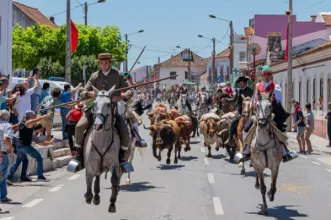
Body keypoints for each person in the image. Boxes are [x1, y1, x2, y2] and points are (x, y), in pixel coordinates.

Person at [74, 53, 133, 170]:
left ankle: (121, 159)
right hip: (96, 109)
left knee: (126, 133)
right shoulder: (94, 76)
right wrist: (88, 93)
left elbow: (130, 91)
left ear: (110, 63)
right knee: (79, 126)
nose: (104, 65)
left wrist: (122, 97)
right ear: (99, 64)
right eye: (102, 63)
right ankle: (78, 156)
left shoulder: (119, 75)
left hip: (113, 110)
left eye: (106, 63)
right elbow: (82, 90)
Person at [244, 65, 296, 162]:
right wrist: (253, 105)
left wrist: (271, 102)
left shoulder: (276, 87)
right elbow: (255, 99)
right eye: (265, 75)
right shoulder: (258, 86)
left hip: (271, 113)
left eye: (268, 75)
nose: (266, 77)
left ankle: (285, 152)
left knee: (281, 130)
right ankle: (246, 151)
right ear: (262, 76)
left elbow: (278, 102)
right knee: (246, 129)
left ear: (271, 76)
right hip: (259, 113)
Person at [15, 110, 52, 182]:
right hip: (24, 146)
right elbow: (36, 119)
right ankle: (40, 176)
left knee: (21, 161)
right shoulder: (28, 123)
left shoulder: (23, 123)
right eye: (33, 116)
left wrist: (49, 142)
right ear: (29, 117)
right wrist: (45, 116)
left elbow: (39, 142)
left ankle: (10, 177)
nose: (35, 117)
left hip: (19, 145)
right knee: (39, 157)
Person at [224, 76, 254, 145]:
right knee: (233, 121)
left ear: (245, 83)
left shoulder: (250, 90)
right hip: (240, 110)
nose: (240, 85)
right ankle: (230, 138)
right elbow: (235, 99)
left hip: (250, 110)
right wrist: (227, 100)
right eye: (240, 83)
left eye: (241, 83)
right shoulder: (239, 91)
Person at [0, 110, 14, 203]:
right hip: (3, 153)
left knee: (3, 176)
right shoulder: (7, 126)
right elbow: (6, 139)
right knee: (1, 176)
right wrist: (11, 148)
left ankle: (3, 196)